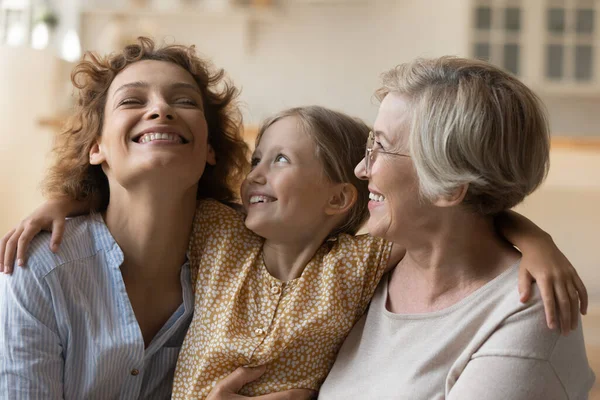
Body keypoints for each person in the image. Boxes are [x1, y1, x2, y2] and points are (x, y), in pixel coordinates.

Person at [1, 97, 589, 400]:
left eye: (279, 161)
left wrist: (534, 239)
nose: (254, 174)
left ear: (339, 199)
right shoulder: (217, 235)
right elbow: (143, 198)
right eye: (256, 159)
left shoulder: (357, 264)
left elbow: (453, 214)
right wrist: (67, 204)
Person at [317, 56, 596, 399]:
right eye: (370, 143)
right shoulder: (367, 270)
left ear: (448, 188)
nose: (362, 168)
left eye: (382, 147)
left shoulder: (531, 315)